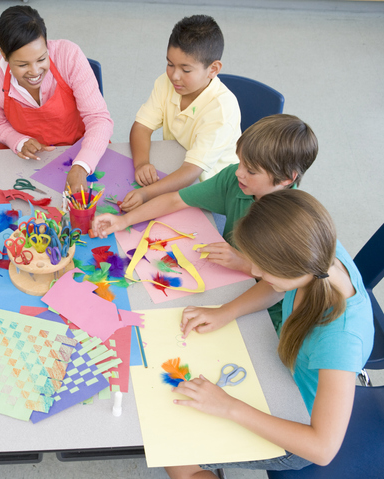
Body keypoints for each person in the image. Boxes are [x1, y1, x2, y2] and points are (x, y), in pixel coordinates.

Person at [164, 190, 373, 478]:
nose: (253, 270)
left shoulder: (340, 340)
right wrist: (226, 311)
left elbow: (323, 449)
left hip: (297, 429)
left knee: (176, 455)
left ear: (289, 269)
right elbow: (278, 284)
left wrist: (229, 407)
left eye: (262, 267)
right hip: (280, 381)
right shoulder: (315, 250)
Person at [92, 114, 318, 331]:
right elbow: (176, 200)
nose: (238, 172)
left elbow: (276, 289)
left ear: (287, 179)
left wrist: (230, 297)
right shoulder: (236, 178)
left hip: (267, 312)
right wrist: (124, 221)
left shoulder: (291, 225)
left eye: (250, 171)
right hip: (227, 285)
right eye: (240, 162)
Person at [0, 5, 113, 193]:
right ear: (3, 54)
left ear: (47, 44)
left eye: (41, 59)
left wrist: (82, 165)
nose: (34, 72)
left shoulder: (68, 55)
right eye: (23, 64)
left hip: (81, 148)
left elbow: (99, 119)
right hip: (29, 161)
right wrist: (18, 141)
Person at [127, 14, 240, 209]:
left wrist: (146, 193)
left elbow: (192, 171)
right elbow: (141, 126)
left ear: (213, 69)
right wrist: (141, 164)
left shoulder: (221, 110)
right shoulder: (166, 82)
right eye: (170, 64)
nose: (174, 76)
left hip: (214, 192)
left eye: (186, 70)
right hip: (178, 167)